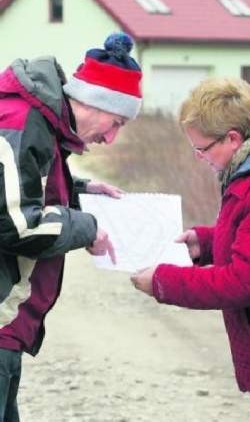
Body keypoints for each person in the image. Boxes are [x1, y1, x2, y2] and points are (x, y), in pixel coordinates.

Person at [131, 76, 250, 422]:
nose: (198, 158)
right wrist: (204, 243)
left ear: (233, 138)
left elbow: (245, 281)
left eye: (202, 148)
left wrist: (165, 282)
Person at [0, 32, 142, 421]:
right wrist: (86, 225)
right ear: (91, 101)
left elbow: (23, 186)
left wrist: (80, 191)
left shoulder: (41, 122)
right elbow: (15, 225)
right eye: (115, 123)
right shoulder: (21, 122)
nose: (111, 138)